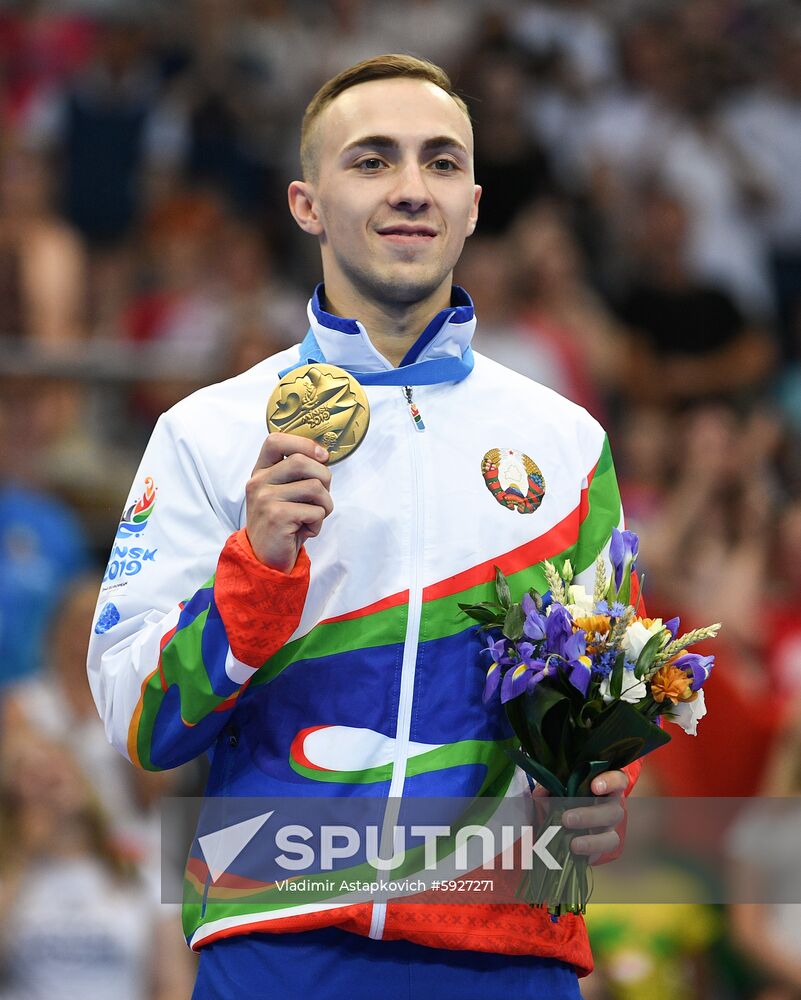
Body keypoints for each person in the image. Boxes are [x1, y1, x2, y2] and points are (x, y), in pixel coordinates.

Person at [87, 54, 639, 999]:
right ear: (306, 204)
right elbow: (139, 721)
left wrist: (596, 788)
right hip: (279, 944)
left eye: (439, 162)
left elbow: (605, 704)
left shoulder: (566, 443)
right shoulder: (209, 432)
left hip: (506, 946)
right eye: (372, 161)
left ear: (473, 201)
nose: (411, 190)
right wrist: (253, 576)